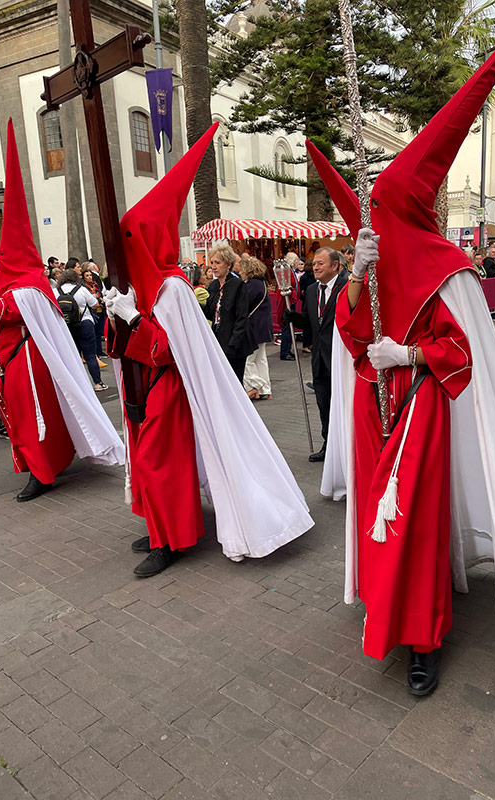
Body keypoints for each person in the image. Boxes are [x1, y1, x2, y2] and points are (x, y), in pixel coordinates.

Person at [308, 18, 495, 692]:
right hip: (374, 413)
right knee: (380, 519)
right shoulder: (370, 263)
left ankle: (424, 637)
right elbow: (349, 335)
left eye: (382, 203)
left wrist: (403, 352)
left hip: (423, 411)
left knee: (413, 522)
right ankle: (389, 606)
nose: (372, 211)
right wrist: (353, 277)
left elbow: (458, 352)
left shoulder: (443, 264)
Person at [106, 123, 313, 576]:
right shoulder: (143, 286)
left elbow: (167, 350)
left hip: (168, 388)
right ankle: (159, 526)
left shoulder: (172, 288)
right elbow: (123, 346)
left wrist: (134, 319)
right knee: (145, 462)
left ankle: (172, 541)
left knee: (163, 464)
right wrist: (115, 315)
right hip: (141, 389)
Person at [0, 119, 123, 502]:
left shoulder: (28, 285)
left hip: (27, 361)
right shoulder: (18, 282)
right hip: (17, 360)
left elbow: (0, 311)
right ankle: (40, 463)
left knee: (35, 417)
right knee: (27, 416)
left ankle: (43, 471)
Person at [285, 247, 348, 462]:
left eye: (321, 263)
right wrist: (296, 319)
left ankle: (347, 446)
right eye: (315, 263)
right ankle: (328, 444)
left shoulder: (347, 287)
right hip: (319, 359)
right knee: (323, 403)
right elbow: (313, 324)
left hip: (341, 358)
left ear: (335, 265)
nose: (316, 266)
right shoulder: (311, 290)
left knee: (344, 405)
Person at [204, 244, 255, 382]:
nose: (214, 266)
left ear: (228, 264)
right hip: (219, 341)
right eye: (212, 263)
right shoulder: (213, 286)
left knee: (235, 382)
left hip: (235, 344)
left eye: (218, 263)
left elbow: (241, 317)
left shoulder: (238, 285)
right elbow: (209, 313)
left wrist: (233, 344)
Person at [57, 269, 107, 391]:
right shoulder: (81, 290)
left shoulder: (56, 291)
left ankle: (78, 387)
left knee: (72, 357)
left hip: (66, 326)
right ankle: (98, 383)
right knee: (90, 355)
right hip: (85, 324)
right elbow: (95, 304)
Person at [240, 257, 273, 400]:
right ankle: (266, 389)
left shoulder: (252, 285)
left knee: (247, 359)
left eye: (242, 269)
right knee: (260, 359)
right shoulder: (261, 283)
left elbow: (244, 304)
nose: (240, 272)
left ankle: (257, 385)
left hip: (254, 327)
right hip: (262, 326)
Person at [82, 266, 107, 361]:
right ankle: (96, 352)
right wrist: (94, 296)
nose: (89, 277)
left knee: (99, 332)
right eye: (87, 276)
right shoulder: (84, 287)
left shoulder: (95, 285)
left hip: (100, 310)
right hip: (93, 311)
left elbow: (99, 293)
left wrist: (100, 298)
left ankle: (100, 351)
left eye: (90, 275)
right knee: (94, 332)